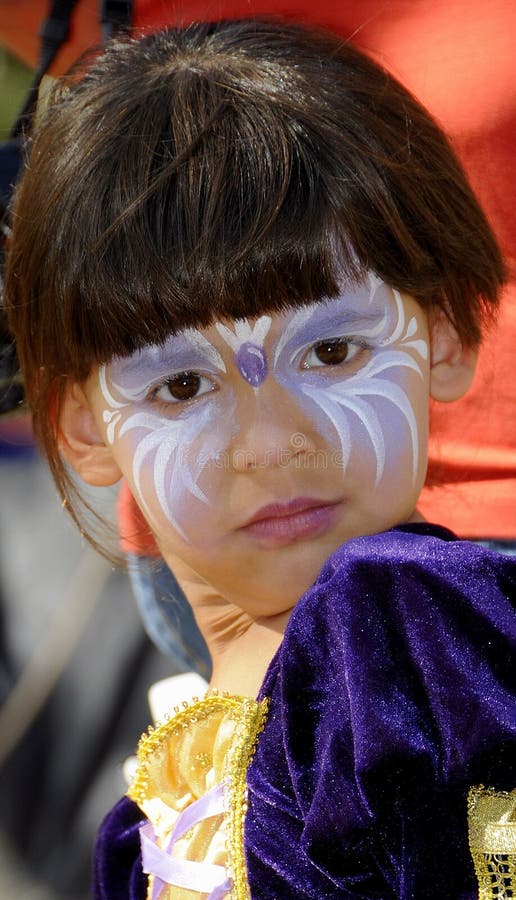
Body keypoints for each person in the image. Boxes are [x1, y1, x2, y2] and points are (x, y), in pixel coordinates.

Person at [5, 18, 516, 899]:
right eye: (177, 388)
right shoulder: (142, 812)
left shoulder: (412, 628)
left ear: (443, 334)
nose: (273, 442)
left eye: (332, 354)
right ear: (82, 425)